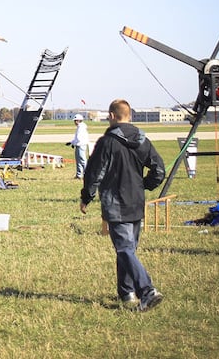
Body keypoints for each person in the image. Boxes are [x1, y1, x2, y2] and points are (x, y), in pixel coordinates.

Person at [80, 99, 166, 312]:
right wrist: (143, 185)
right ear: (130, 116)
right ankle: (126, 292)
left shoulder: (107, 142)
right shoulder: (143, 139)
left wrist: (86, 197)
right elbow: (159, 170)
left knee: (125, 249)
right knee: (128, 250)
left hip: (115, 202)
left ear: (111, 116)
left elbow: (94, 172)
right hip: (136, 201)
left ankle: (147, 291)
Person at [66, 113, 90, 179]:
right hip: (78, 145)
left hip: (81, 145)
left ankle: (87, 174)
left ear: (79, 120)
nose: (75, 122)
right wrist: (71, 142)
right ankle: (79, 175)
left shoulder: (81, 128)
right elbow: (76, 138)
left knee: (82, 160)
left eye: (76, 120)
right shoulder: (79, 127)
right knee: (78, 161)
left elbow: (79, 138)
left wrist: (73, 143)